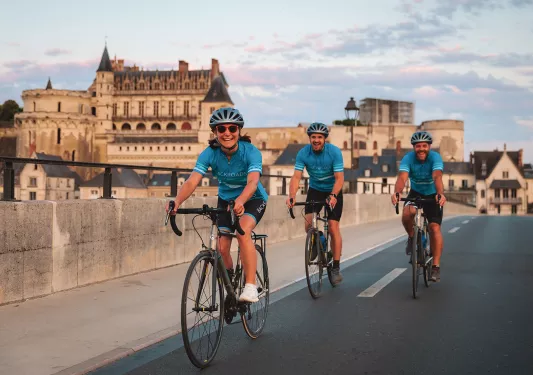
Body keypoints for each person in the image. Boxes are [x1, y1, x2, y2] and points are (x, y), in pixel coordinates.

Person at [166, 107, 268, 302]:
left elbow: (253, 182)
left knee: (242, 232)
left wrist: (240, 201)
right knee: (221, 248)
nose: (227, 133)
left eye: (232, 128)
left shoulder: (251, 152)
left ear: (239, 131)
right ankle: (230, 287)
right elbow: (192, 181)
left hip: (253, 198)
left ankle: (250, 286)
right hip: (226, 201)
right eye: (222, 129)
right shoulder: (209, 153)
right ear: (215, 132)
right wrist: (177, 201)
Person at [286, 122, 345, 285]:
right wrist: (292, 194)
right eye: (313, 137)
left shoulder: (334, 152)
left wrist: (333, 195)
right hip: (315, 188)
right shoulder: (303, 153)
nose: (316, 140)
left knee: (333, 227)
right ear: (309, 138)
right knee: (308, 225)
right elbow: (297, 176)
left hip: (334, 189)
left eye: (320, 137)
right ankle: (319, 239)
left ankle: (336, 268)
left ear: (325, 139)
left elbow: (340, 178)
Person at [391, 130, 446, 282]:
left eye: (424, 146)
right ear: (414, 148)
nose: (421, 149)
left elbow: (437, 176)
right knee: (407, 213)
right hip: (416, 193)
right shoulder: (408, 158)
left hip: (433, 194)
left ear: (429, 146)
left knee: (434, 228)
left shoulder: (435, 157)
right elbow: (402, 178)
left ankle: (435, 267)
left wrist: (440, 193)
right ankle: (412, 237)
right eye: (418, 146)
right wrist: (397, 192)